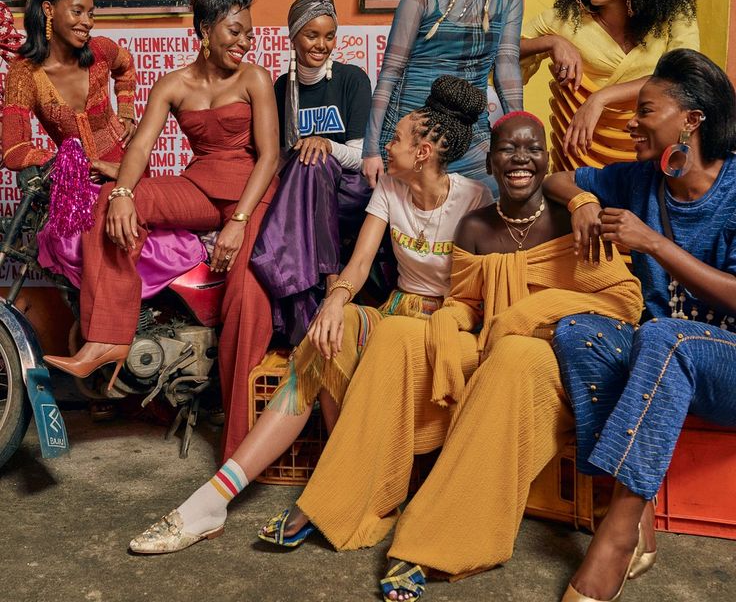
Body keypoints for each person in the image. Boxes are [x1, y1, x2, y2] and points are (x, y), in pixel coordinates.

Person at [256, 113, 642, 602]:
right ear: (490, 160)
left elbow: (624, 303)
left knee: (514, 355)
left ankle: (431, 540)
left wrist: (530, 314)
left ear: (547, 159)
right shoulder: (477, 226)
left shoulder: (574, 221)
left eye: (532, 149)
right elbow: (466, 303)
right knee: (397, 334)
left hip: (553, 361)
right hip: (491, 343)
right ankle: (341, 499)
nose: (520, 159)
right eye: (508, 149)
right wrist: (448, 322)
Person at [127, 75, 492, 554]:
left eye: (397, 138)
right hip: (395, 311)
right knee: (317, 348)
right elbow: (358, 265)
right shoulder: (389, 190)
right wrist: (334, 303)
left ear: (422, 152)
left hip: (443, 326)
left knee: (383, 344)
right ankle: (214, 498)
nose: (387, 145)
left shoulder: (474, 199)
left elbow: (474, 291)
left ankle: (339, 493)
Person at [42, 0, 280, 458]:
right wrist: (125, 192)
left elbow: (271, 156)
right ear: (206, 31)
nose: (243, 42)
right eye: (234, 31)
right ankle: (107, 339)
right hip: (199, 185)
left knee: (244, 299)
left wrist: (238, 223)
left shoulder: (255, 78)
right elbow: (141, 146)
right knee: (106, 202)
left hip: (252, 195)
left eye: (247, 34)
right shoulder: (174, 85)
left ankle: (238, 451)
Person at [545, 49, 736, 602]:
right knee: (577, 330)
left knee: (662, 333)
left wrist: (652, 242)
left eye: (646, 111)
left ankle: (616, 532)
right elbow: (557, 179)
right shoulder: (638, 181)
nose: (631, 121)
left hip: (727, 370)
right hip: (664, 363)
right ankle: (642, 514)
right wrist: (582, 198)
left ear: (691, 121)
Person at [0, 0, 205, 295]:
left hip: (127, 169)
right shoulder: (24, 74)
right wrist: (68, 159)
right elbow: (13, 150)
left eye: (91, 13)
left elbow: (126, 67)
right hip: (81, 185)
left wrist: (126, 111)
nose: (88, 21)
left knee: (143, 251)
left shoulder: (100, 50)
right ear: (49, 10)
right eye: (78, 11)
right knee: (87, 259)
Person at [362, 0, 525, 189]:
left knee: (496, 207)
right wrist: (372, 149)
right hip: (413, 138)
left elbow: (507, 68)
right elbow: (390, 73)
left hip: (472, 137)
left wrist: (520, 135)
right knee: (413, 229)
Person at [521, 0, 698, 166]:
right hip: (580, 161)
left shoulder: (673, 14)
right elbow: (505, 51)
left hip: (651, 157)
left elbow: (683, 74)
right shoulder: (565, 20)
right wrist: (552, 42)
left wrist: (599, 98)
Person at [251, 0, 373, 345]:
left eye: (330, 35)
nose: (322, 44)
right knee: (306, 166)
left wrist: (325, 145)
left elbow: (360, 156)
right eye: (312, 35)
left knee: (315, 159)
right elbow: (275, 158)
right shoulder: (279, 88)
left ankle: (330, 278)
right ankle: (320, 287)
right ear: (294, 36)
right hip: (304, 195)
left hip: (348, 193)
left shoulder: (352, 79)